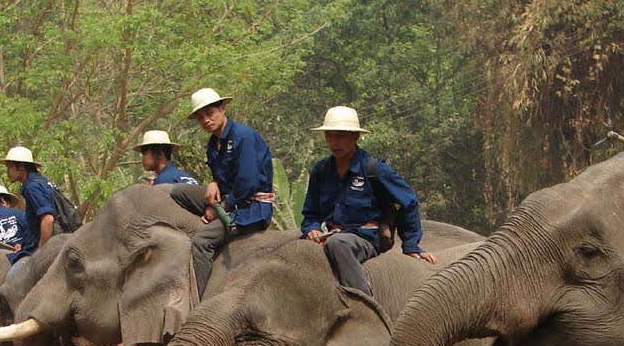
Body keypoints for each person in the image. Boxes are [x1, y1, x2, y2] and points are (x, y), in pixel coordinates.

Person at [300, 106, 435, 296]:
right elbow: (311, 214)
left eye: (340, 136)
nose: (334, 142)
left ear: (355, 137)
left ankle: (362, 302)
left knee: (338, 243)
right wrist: (312, 228)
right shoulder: (321, 171)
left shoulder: (374, 169)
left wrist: (411, 245)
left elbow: (409, 201)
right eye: (329, 136)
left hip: (365, 239)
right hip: (329, 236)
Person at [171, 87, 274, 298]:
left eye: (210, 114)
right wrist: (213, 183)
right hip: (225, 199)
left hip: (249, 208)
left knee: (201, 242)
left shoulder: (243, 137)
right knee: (178, 192)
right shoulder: (212, 144)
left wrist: (220, 209)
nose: (206, 120)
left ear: (223, 108)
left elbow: (248, 183)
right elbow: (223, 178)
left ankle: (198, 299)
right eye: (201, 118)